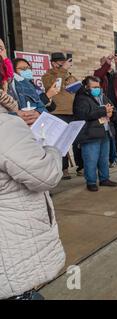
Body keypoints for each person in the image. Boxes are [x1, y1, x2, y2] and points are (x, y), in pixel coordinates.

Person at [0, 89, 65, 300]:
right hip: (12, 243)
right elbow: (46, 176)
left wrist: (13, 116)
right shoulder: (5, 127)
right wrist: (51, 149)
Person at [73, 76, 117, 192]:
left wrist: (111, 114)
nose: (97, 89)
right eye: (94, 87)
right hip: (90, 134)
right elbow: (83, 114)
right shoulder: (81, 98)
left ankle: (104, 179)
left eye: (98, 87)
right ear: (86, 87)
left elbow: (114, 111)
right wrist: (104, 111)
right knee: (91, 160)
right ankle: (91, 182)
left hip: (105, 132)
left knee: (104, 158)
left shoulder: (103, 97)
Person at [42, 52, 82, 179]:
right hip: (58, 112)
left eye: (65, 62)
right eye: (61, 62)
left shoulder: (68, 75)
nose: (64, 64)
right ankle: (63, 168)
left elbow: (76, 87)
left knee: (76, 141)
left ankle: (81, 166)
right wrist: (63, 70)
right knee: (60, 143)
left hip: (73, 112)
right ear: (54, 63)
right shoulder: (47, 76)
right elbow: (53, 86)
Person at [94, 54, 117, 167]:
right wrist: (107, 64)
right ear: (102, 64)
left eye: (109, 62)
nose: (108, 63)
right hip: (104, 107)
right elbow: (99, 74)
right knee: (109, 133)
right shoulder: (98, 74)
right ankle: (111, 157)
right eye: (104, 62)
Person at [8, 58, 47, 127]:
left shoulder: (30, 86)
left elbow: (43, 108)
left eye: (28, 68)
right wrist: (17, 116)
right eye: (23, 69)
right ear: (13, 71)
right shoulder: (8, 86)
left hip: (34, 128)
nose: (27, 71)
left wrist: (38, 113)